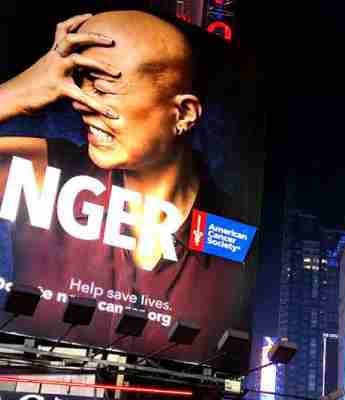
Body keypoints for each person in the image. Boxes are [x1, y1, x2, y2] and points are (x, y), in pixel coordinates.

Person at [0, 11, 248, 363]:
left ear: (184, 114)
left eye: (101, 88)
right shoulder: (46, 173)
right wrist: (18, 91)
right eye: (78, 82)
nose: (80, 102)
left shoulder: (232, 234)